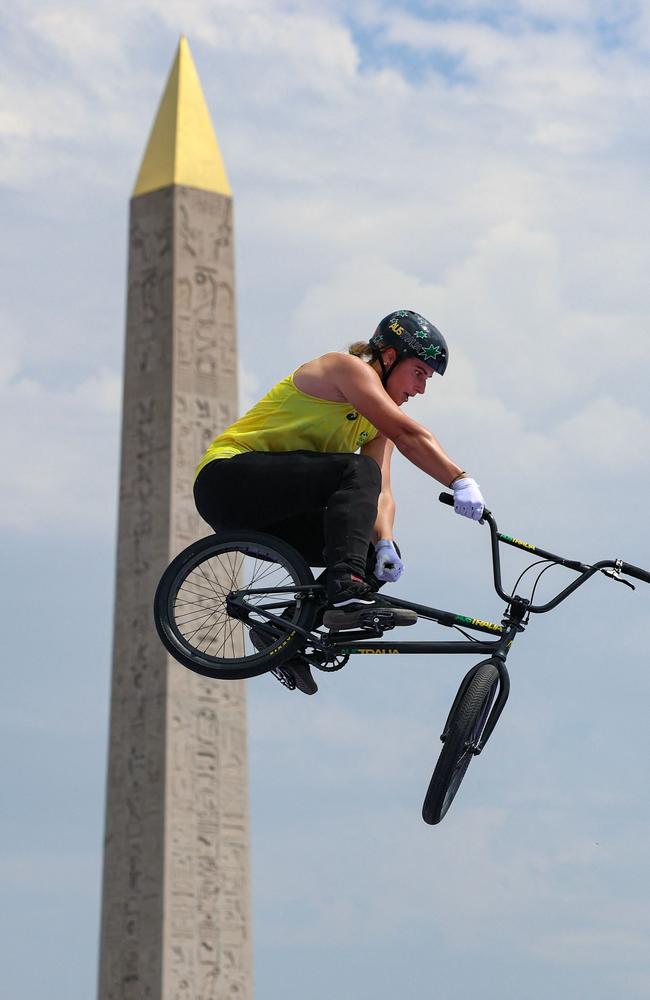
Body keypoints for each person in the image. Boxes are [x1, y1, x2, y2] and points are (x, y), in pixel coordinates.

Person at [194, 309, 485, 695]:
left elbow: (380, 492)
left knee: (368, 548)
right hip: (228, 480)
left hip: (271, 512)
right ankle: (344, 589)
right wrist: (459, 479)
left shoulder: (376, 423)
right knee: (357, 472)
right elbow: (406, 434)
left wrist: (383, 543)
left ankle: (281, 632)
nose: (421, 389)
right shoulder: (345, 368)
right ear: (389, 356)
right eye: (419, 373)